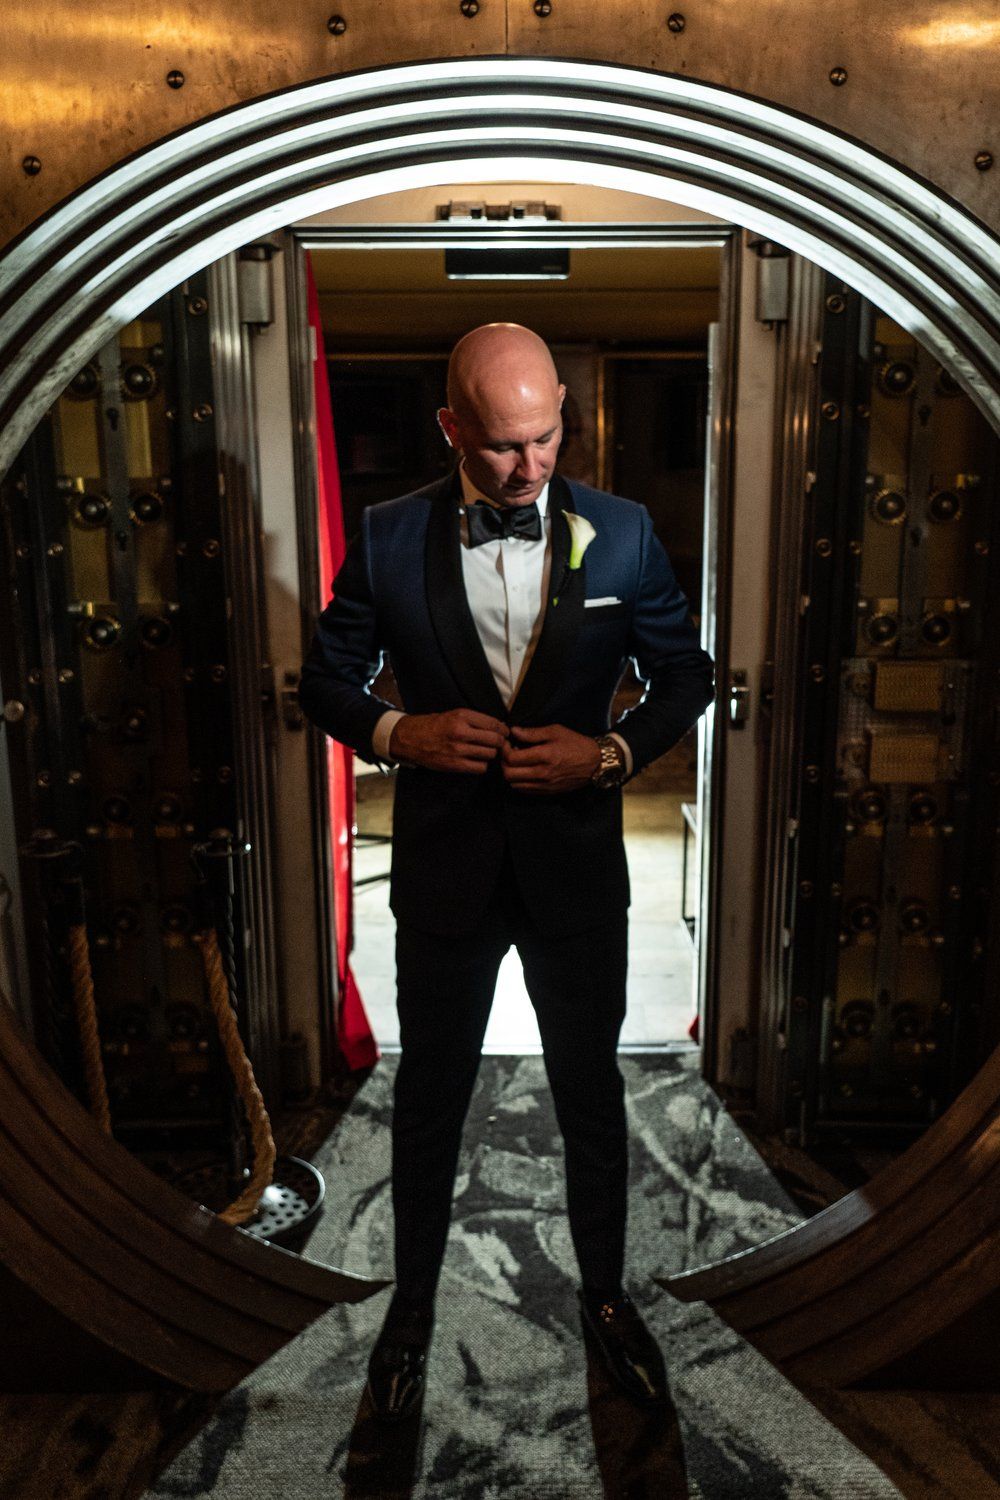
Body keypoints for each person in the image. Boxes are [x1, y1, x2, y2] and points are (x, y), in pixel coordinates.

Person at [298, 322, 715, 1423]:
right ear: (450, 429)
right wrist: (401, 735)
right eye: (500, 448)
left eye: (544, 438)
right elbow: (326, 683)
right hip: (444, 875)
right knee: (429, 1099)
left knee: (590, 1096)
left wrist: (613, 751)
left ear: (563, 411)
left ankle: (608, 1305)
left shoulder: (619, 533)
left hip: (576, 871)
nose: (530, 467)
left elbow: (686, 674)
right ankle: (414, 1312)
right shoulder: (389, 539)